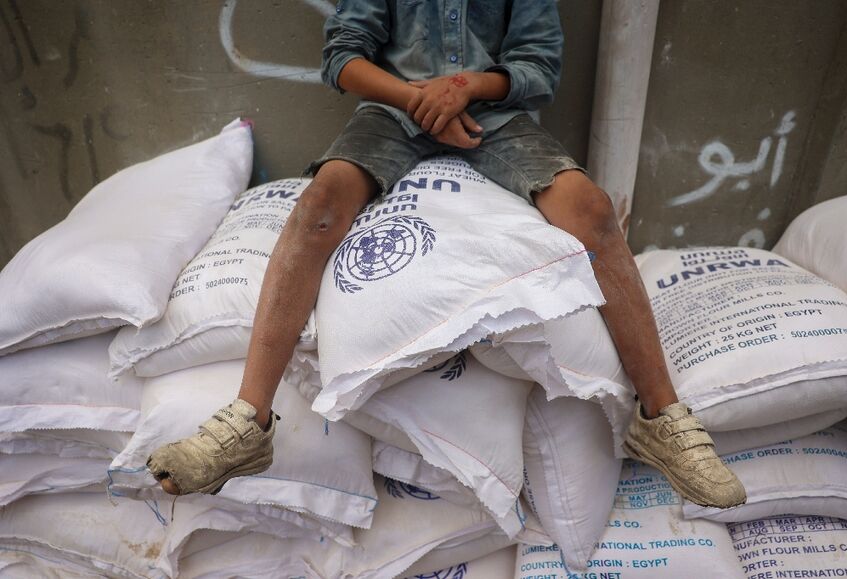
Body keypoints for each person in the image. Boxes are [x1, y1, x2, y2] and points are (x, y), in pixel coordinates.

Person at [147, 0, 746, 508]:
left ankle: (661, 419)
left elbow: (538, 67)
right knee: (319, 206)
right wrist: (418, 99)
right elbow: (342, 58)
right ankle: (249, 421)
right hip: (390, 114)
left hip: (496, 120)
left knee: (590, 210)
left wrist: (463, 88)